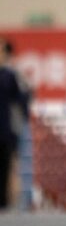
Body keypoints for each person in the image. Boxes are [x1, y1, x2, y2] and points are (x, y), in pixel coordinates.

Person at [0, 37, 31, 210]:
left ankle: (9, 205)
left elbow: (23, 99)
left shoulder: (11, 75)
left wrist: (22, 122)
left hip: (7, 131)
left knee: (10, 167)